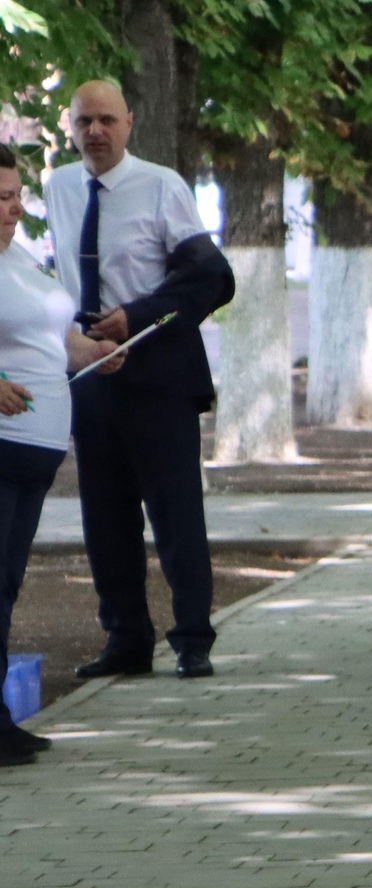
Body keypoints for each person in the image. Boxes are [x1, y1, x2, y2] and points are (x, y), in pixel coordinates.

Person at [47, 80, 234, 681]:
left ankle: (192, 640)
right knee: (105, 517)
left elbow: (212, 279)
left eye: (106, 120)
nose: (95, 132)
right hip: (92, 374)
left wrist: (138, 317)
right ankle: (126, 640)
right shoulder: (58, 187)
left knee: (176, 515)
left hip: (156, 372)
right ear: (69, 127)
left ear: (129, 123)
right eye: (84, 123)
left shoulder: (160, 186)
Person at [0, 151, 123, 765]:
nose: (11, 209)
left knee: (7, 582)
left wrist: (91, 348)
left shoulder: (18, 260)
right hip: (3, 445)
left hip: (35, 448)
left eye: (15, 195)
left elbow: (52, 337)